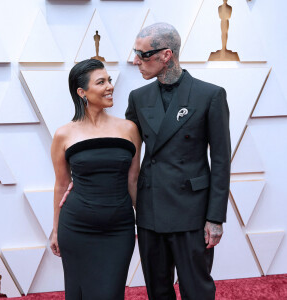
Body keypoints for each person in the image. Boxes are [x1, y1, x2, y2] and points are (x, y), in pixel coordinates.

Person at [125, 23, 231, 300]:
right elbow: (126, 152)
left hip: (192, 212)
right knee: (157, 290)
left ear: (166, 55)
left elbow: (220, 160)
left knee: (197, 289)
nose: (135, 60)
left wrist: (215, 218)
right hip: (151, 209)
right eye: (135, 52)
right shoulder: (138, 97)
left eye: (142, 54)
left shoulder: (210, 95)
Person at [50, 59, 141, 300]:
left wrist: (145, 221)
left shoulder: (129, 129)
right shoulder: (63, 134)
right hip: (76, 227)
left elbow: (134, 180)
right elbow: (61, 185)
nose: (110, 86)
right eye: (101, 82)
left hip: (119, 228)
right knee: (79, 293)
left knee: (111, 293)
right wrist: (56, 230)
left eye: (109, 80)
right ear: (82, 92)